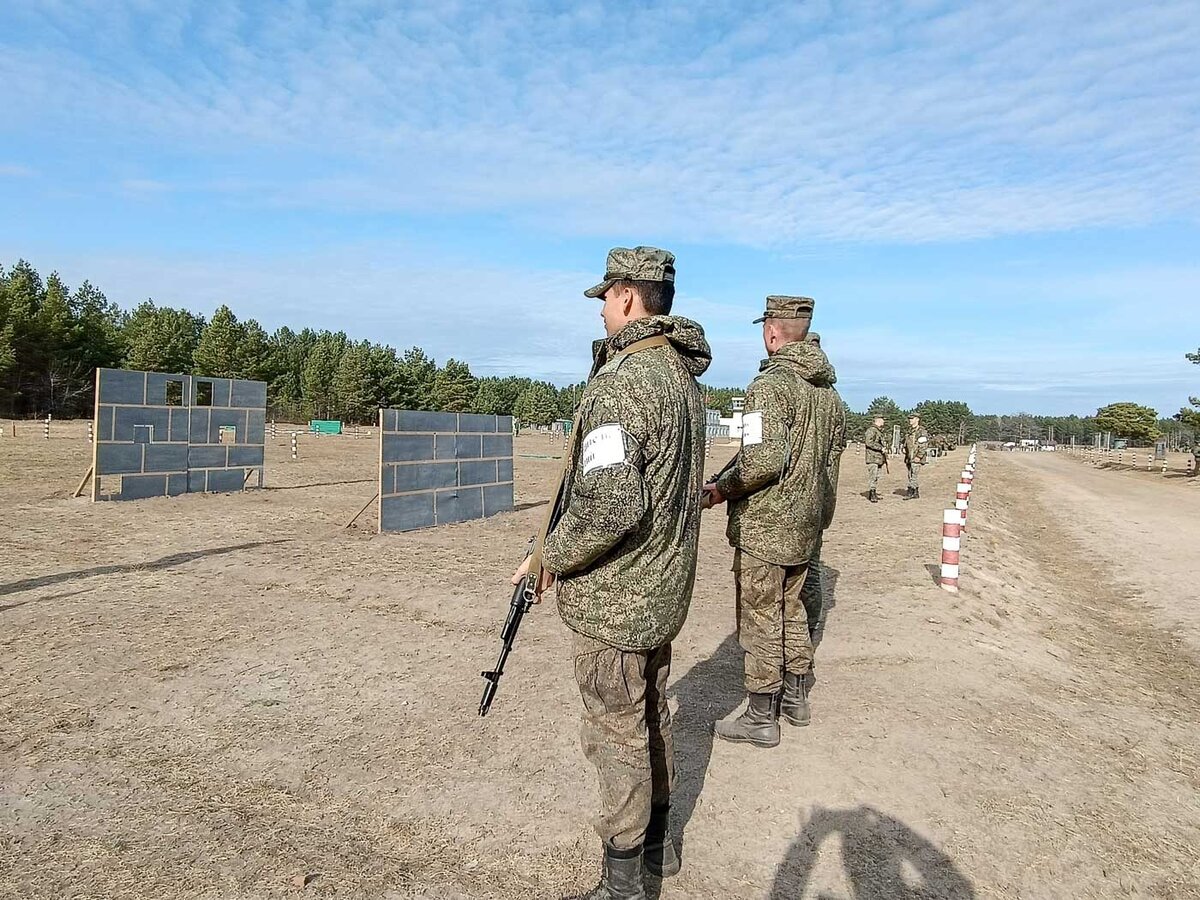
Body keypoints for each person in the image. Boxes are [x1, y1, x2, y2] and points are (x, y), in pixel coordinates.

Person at [513, 246, 710, 900]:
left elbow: (610, 503)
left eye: (605, 295)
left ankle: (623, 881)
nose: (600, 306)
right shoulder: (682, 380)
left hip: (619, 600)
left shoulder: (624, 384)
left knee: (615, 730)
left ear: (627, 296)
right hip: (660, 592)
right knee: (650, 711)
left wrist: (550, 557)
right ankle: (661, 845)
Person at [702, 296, 840, 747]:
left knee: (761, 616)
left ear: (771, 332)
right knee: (792, 608)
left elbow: (761, 459)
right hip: (806, 523)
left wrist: (722, 487)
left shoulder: (771, 386)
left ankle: (762, 716)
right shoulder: (827, 393)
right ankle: (796, 695)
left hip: (767, 525)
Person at [797, 331, 846, 647]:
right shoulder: (834, 400)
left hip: (794, 500)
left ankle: (799, 636)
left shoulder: (795, 392)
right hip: (821, 498)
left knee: (799, 576)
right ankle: (808, 631)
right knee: (810, 569)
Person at [903, 414, 930, 499]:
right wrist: (904, 448)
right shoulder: (909, 431)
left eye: (912, 418)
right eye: (909, 418)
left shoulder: (921, 431)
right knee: (910, 474)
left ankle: (910, 491)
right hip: (909, 456)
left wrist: (919, 456)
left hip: (916, 456)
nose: (910, 420)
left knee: (914, 474)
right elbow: (906, 441)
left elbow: (923, 445)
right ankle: (915, 492)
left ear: (917, 419)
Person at [864, 416, 887, 503]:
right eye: (882, 420)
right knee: (873, 476)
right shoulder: (871, 430)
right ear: (878, 420)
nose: (884, 421)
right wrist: (880, 448)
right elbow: (868, 442)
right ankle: (872, 493)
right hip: (873, 457)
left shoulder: (878, 431)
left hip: (878, 458)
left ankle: (873, 492)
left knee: (877, 476)